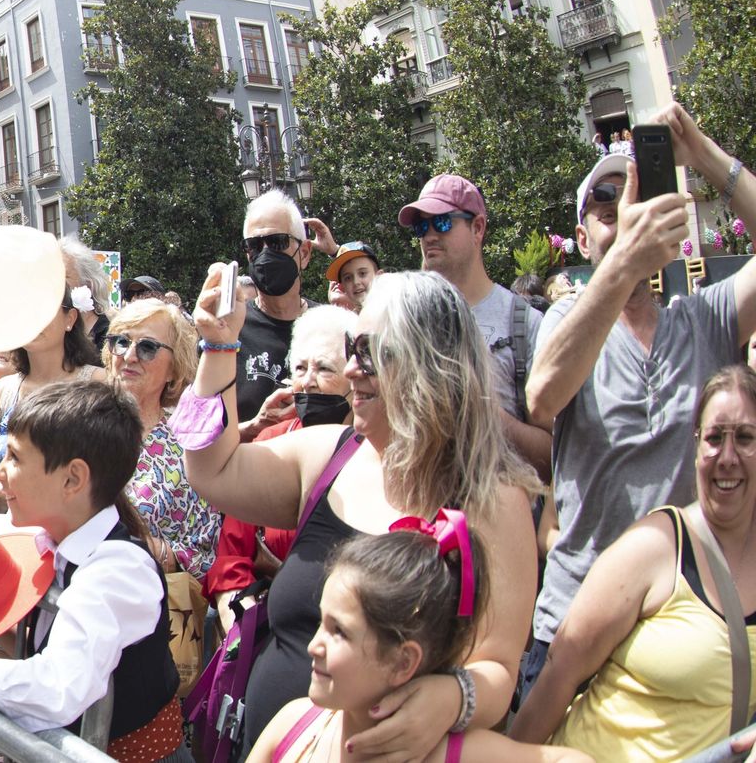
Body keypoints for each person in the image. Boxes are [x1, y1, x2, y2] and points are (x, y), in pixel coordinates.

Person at [184, 269, 540, 756]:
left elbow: (498, 668)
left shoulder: (493, 502)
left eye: (369, 353)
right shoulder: (325, 456)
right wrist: (219, 347)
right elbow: (212, 471)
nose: (351, 370)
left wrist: (456, 697)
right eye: (352, 350)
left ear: (430, 366)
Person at [521, 104, 756, 699]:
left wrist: (702, 154)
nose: (625, 219)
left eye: (637, 203)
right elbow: (543, 397)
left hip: (682, 629)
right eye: (606, 213)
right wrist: (627, 257)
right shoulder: (565, 320)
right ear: (581, 239)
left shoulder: (705, 319)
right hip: (575, 629)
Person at [0, 380, 189, 760]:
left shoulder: (118, 570)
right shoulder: (51, 531)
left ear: (72, 479)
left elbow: (57, 687)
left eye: (14, 459)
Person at [513, 365, 756, 760]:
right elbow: (561, 668)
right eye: (713, 438)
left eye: (745, 438)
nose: (727, 457)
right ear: (696, 450)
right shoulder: (656, 546)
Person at [250, 520, 591, 763]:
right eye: (321, 622)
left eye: (338, 631)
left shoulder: (458, 755)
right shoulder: (294, 726)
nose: (313, 645)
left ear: (403, 662)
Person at [400, 174, 551, 478]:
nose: (429, 235)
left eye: (441, 222)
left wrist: (480, 413)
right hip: (423, 514)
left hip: (505, 513)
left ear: (478, 228)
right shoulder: (406, 322)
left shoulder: (526, 324)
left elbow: (554, 454)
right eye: (421, 226)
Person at [213, 305, 359, 598]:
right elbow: (231, 560)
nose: (307, 381)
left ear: (356, 376)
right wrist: (241, 628)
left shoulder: (374, 449)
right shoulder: (271, 443)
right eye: (301, 368)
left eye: (324, 368)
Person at [104, 298, 220, 584]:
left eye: (147, 347)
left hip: (145, 602)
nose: (129, 355)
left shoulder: (189, 446)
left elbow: (205, 553)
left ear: (174, 368)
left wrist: (151, 551)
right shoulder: (74, 424)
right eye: (120, 342)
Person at [0, 284, 104, 505]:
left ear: (70, 318)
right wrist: (2, 491)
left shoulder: (98, 384)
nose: (32, 319)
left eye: (44, 309)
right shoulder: (3, 391)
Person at [236, 189, 339, 437]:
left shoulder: (328, 326)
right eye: (254, 246)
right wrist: (256, 426)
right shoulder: (228, 331)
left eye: (277, 242)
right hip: (249, 472)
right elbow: (198, 436)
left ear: (303, 253)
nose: (265, 254)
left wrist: (339, 254)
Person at [325, 241, 381, 313]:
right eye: (348, 278)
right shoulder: (344, 321)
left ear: (379, 276)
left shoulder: (393, 311)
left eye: (362, 273)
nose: (356, 282)